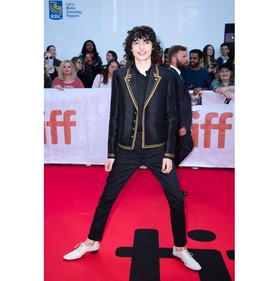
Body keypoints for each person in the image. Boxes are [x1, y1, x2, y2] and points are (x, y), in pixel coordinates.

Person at [63, 25, 201, 272]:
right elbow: (115, 115)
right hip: (126, 148)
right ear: (130, 46)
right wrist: (111, 153)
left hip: (158, 148)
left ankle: (179, 248)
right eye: (136, 42)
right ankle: (91, 242)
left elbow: (171, 116)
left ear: (153, 46)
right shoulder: (120, 75)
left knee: (176, 200)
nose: (141, 47)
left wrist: (170, 153)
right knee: (107, 197)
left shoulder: (167, 76)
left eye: (146, 42)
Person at [168, 45, 194, 193]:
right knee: (184, 147)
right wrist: (179, 125)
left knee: (181, 150)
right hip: (178, 125)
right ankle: (166, 174)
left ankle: (166, 173)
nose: (187, 59)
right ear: (174, 58)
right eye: (183, 57)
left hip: (180, 124)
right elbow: (172, 103)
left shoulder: (177, 74)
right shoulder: (172, 75)